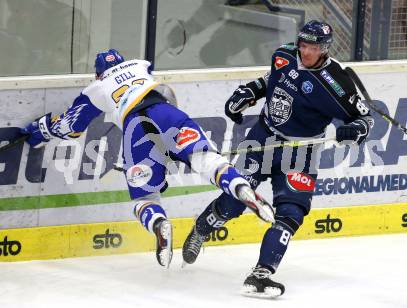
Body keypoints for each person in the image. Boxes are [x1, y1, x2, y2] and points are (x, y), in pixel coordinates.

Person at [20, 49, 275, 268]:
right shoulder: (141, 66)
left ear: (98, 74)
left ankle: (159, 224)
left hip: (135, 128)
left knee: (144, 197)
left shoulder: (97, 87)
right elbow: (167, 92)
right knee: (206, 160)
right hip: (167, 113)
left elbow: (71, 126)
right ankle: (240, 187)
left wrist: (39, 130)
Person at [181, 20, 374, 298]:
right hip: (263, 139)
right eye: (303, 44)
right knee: (236, 199)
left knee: (292, 213)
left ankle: (262, 273)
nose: (305, 51)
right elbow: (270, 79)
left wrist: (355, 129)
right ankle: (201, 229)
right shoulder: (284, 54)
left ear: (325, 48)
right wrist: (249, 92)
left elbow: (365, 118)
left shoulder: (337, 84)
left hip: (302, 153)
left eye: (313, 47)